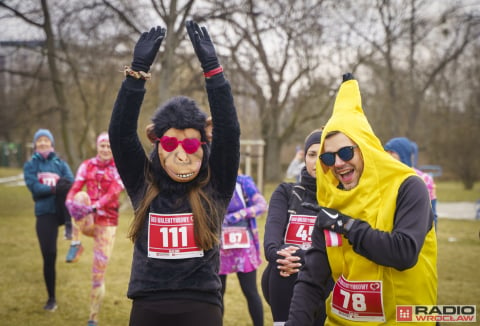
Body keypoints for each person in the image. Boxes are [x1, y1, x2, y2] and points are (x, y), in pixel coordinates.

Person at [108, 21, 240, 326]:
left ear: (204, 146)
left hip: (202, 304)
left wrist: (214, 73)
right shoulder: (144, 184)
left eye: (191, 143)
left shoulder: (215, 185)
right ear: (158, 145)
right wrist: (136, 74)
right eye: (170, 142)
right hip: (147, 303)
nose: (181, 153)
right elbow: (120, 133)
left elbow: (229, 133)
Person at [286, 74, 437, 325]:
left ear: (365, 148)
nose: (338, 164)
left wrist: (346, 225)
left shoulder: (409, 187)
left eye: (346, 152)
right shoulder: (332, 201)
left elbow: (403, 253)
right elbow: (312, 278)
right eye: (328, 158)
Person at [262, 129, 332, 326]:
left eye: (324, 155)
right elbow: (271, 244)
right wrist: (279, 254)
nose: (316, 161)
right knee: (283, 252)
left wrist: (301, 257)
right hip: (284, 276)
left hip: (325, 283)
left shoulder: (344, 197)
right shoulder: (286, 192)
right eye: (311, 155)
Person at [64, 132, 124, 326]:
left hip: (107, 224)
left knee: (98, 274)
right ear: (97, 147)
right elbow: (75, 187)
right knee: (79, 198)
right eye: (103, 146)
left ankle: (93, 317)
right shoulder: (86, 165)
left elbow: (114, 193)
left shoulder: (119, 169)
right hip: (89, 220)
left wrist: (96, 205)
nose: (106, 149)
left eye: (109, 146)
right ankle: (75, 243)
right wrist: (68, 202)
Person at [23, 128, 75, 312]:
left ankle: (70, 225)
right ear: (36, 144)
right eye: (40, 140)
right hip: (45, 213)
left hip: (62, 210)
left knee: (64, 184)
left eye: (46, 140)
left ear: (51, 143)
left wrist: (58, 187)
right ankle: (51, 298)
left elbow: (71, 182)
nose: (43, 143)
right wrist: (54, 188)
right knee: (49, 254)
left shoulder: (60, 163)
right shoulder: (31, 165)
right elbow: (34, 187)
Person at [219, 171, 266, 326]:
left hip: (243, 246)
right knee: (217, 293)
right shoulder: (208, 180)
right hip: (218, 246)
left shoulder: (244, 182)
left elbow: (261, 205)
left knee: (250, 291)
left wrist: (238, 215)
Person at [384, 137, 438, 230]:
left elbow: (432, 212)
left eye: (392, 152)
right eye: (386, 152)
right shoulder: (387, 177)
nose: (388, 156)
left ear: (403, 154)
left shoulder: (425, 179)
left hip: (420, 229)